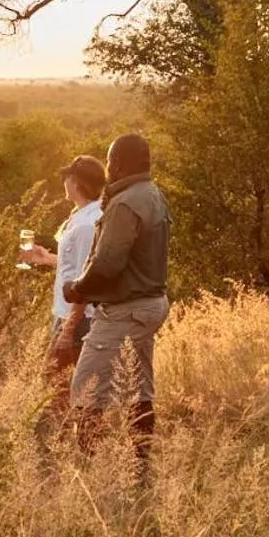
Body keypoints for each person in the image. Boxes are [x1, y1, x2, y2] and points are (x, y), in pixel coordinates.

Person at [62, 134, 171, 464]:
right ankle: (140, 469)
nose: (108, 168)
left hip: (125, 310)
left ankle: (89, 470)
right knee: (139, 390)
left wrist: (77, 288)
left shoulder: (125, 203)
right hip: (150, 305)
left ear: (119, 164)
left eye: (110, 162)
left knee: (86, 390)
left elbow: (108, 263)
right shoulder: (153, 194)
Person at [20, 154, 106, 425]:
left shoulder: (85, 225)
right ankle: (70, 439)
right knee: (66, 384)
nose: (64, 182)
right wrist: (47, 259)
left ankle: (66, 440)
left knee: (58, 384)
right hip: (70, 314)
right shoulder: (82, 216)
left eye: (68, 177)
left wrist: (68, 329)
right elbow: (79, 266)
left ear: (77, 183)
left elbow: (86, 282)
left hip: (76, 318)